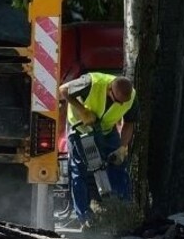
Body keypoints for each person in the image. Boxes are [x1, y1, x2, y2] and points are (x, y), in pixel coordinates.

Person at [58, 72, 136, 224]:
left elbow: (129, 123)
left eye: (122, 103)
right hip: (80, 129)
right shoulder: (91, 83)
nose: (120, 105)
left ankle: (122, 212)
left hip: (106, 131)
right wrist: (82, 110)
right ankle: (85, 218)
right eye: (117, 101)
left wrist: (122, 147)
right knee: (79, 172)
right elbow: (63, 90)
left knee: (119, 166)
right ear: (109, 90)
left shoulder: (131, 97)